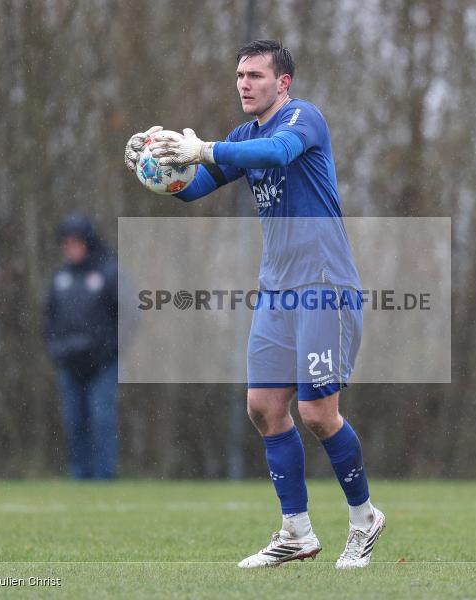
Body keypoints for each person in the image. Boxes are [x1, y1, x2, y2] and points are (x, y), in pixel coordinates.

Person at [125, 40, 384, 569]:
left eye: (256, 76)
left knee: (317, 413)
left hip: (323, 286)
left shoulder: (303, 119)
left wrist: (206, 149)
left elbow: (277, 154)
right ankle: (297, 533)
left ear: (282, 83)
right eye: (240, 75)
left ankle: (364, 520)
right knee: (264, 408)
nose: (244, 83)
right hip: (277, 291)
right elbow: (195, 189)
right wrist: (159, 172)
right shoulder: (244, 135)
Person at [43, 214, 122, 480]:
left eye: (74, 242)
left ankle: (104, 476)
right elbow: (49, 318)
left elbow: (129, 315)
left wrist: (110, 348)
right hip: (69, 363)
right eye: (66, 243)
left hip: (103, 364)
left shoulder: (109, 272)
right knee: (74, 423)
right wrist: (55, 349)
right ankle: (79, 476)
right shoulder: (60, 278)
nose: (69, 247)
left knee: (101, 420)